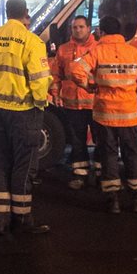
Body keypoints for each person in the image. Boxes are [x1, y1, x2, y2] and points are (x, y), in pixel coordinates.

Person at [0, 0, 53, 235]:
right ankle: (21, 219)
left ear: (6, 12)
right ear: (26, 12)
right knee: (24, 164)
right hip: (23, 111)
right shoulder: (31, 41)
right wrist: (40, 104)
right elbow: (40, 80)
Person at [72, 15, 137, 214]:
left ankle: (113, 200)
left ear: (102, 31)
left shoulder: (97, 51)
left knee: (108, 156)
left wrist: (89, 86)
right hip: (129, 114)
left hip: (104, 114)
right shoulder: (133, 52)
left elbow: (76, 71)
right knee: (132, 154)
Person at [51, 15, 100, 189]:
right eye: (74, 27)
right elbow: (56, 75)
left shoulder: (98, 48)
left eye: (81, 27)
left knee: (100, 139)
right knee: (77, 140)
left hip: (95, 103)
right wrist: (55, 94)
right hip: (72, 104)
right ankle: (80, 174)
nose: (77, 30)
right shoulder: (63, 50)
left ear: (88, 28)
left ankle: (102, 174)